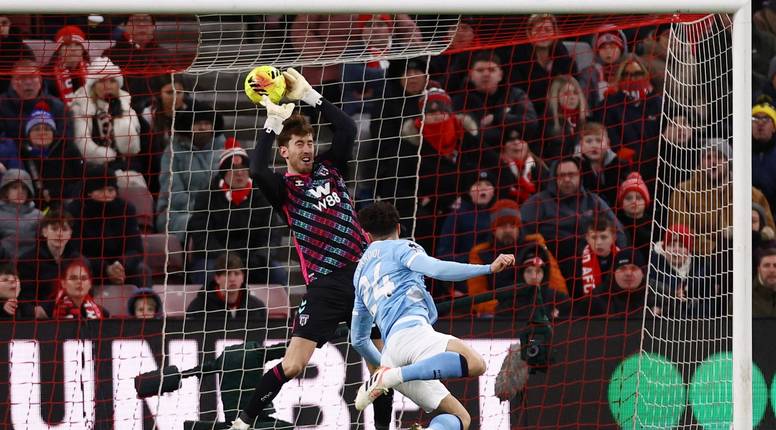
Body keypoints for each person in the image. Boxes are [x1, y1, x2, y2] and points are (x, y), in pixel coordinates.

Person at [230, 68, 391, 430]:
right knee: (293, 364)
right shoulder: (283, 189)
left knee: (381, 366)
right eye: (299, 144)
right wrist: (272, 122)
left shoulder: (330, 168)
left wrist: (310, 96)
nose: (307, 148)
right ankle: (244, 422)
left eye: (309, 142)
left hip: (363, 277)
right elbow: (257, 170)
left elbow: (347, 129)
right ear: (284, 151)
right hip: (325, 286)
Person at [350, 201, 515, 430]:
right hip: (412, 332)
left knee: (461, 418)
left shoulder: (359, 274)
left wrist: (383, 366)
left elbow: (358, 339)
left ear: (366, 236)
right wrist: (487, 268)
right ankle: (391, 376)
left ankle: (392, 376)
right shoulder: (402, 247)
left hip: (391, 354)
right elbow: (436, 269)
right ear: (398, 228)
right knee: (476, 364)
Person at [186, 137, 281, 286]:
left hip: (253, 260)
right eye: (234, 169)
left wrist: (259, 256)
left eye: (243, 168)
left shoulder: (262, 195)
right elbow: (201, 236)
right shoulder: (207, 196)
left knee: (277, 272)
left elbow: (272, 235)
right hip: (216, 259)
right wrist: (227, 258)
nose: (239, 173)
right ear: (223, 173)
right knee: (207, 271)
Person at [520, 157, 625, 279]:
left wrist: (621, 259)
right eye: (562, 175)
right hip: (554, 264)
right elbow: (523, 235)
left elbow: (617, 230)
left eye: (571, 174)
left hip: (593, 262)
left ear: (580, 176)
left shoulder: (593, 200)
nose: (567, 179)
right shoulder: (537, 203)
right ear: (554, 178)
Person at [467, 199, 568, 318]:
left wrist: (555, 304)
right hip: (499, 312)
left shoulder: (535, 245)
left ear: (519, 227)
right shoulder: (480, 253)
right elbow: (477, 293)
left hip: (535, 306)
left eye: (512, 225)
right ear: (493, 230)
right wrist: (504, 308)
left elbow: (556, 281)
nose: (508, 230)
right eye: (502, 226)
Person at [66, 165, 150, 289]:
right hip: (89, 267)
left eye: (110, 190)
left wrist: (121, 266)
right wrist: (104, 268)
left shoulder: (126, 209)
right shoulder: (73, 211)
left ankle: (145, 301)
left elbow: (135, 248)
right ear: (89, 192)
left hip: (120, 269)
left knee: (142, 270)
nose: (106, 195)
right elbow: (73, 251)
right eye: (101, 190)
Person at [157, 101, 225, 241]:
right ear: (188, 126)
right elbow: (173, 193)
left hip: (217, 211)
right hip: (177, 212)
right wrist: (203, 209)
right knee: (200, 224)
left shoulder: (224, 151)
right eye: (197, 123)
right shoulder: (172, 153)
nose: (202, 127)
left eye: (207, 123)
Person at [70, 56, 142, 174]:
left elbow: (131, 148)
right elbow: (82, 145)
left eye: (112, 81)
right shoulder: (81, 108)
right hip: (94, 169)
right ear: (93, 86)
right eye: (102, 81)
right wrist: (108, 156)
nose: (107, 85)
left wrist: (119, 118)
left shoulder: (127, 107)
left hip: (126, 167)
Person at [452, 51, 538, 147]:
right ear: (470, 75)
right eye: (480, 70)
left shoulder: (515, 95)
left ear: (500, 75)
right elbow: (475, 136)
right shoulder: (460, 101)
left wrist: (497, 118)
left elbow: (531, 123)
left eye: (491, 70)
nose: (486, 74)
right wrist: (510, 131)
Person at [17, 209, 82, 319]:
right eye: (54, 229)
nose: (59, 233)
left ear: (70, 234)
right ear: (44, 232)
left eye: (64, 229)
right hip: (39, 319)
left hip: (72, 314)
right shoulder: (27, 261)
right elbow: (24, 299)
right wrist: (37, 311)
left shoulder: (78, 261)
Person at [20, 104, 84, 207]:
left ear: (53, 133)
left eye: (46, 129)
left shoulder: (68, 148)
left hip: (72, 204)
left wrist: (55, 194)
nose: (42, 133)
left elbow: (83, 181)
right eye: (36, 129)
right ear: (28, 134)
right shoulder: (23, 154)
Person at [185, 253, 267, 329]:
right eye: (227, 274)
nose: (232, 279)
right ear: (217, 278)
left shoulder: (257, 307)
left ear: (243, 277)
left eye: (237, 274)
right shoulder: (198, 307)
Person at [576, 121, 631, 208]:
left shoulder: (621, 166)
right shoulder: (575, 166)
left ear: (608, 144)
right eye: (588, 141)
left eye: (599, 140)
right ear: (580, 144)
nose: (594, 145)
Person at [487, 125, 548, 203]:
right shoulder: (496, 168)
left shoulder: (540, 166)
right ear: (503, 148)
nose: (516, 142)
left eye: (521, 139)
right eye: (510, 140)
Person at [541, 74, 591, 161]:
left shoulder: (587, 121)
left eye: (575, 93)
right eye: (566, 94)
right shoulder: (546, 121)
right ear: (555, 96)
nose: (572, 97)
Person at [43, 25, 91, 106]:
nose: (73, 49)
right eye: (67, 45)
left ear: (83, 49)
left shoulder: (93, 70)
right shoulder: (46, 73)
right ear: (59, 50)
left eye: (77, 45)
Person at [0, 169, 42, 256]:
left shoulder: (39, 216)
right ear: (5, 191)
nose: (20, 191)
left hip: (33, 262)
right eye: (15, 187)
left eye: (24, 187)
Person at [615, 172, 653, 258]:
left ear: (645, 201)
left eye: (639, 198)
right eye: (628, 198)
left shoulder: (654, 224)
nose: (634, 201)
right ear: (621, 202)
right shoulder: (617, 223)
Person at [752, 97, 776, 211]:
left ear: (774, 127)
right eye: (755, 118)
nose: (760, 123)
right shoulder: (740, 152)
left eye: (766, 118)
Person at [754, 248, 776, 317]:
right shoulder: (743, 295)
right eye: (766, 265)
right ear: (759, 269)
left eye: (775, 265)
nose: (772, 270)